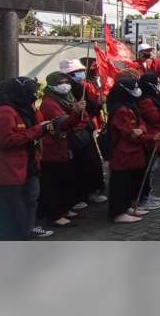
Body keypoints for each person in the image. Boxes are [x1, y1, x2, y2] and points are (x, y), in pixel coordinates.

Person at [0, 77, 54, 240]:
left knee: (30, 199)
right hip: (6, 169)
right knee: (13, 210)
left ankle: (28, 229)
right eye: (32, 93)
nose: (34, 96)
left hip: (25, 164)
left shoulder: (21, 108)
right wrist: (38, 130)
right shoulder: (4, 112)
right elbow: (6, 140)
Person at [107, 77, 159, 224]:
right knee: (120, 183)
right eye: (134, 88)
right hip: (123, 154)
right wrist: (149, 137)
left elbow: (140, 124)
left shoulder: (130, 105)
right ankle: (118, 212)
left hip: (133, 153)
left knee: (129, 182)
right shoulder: (120, 110)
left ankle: (127, 207)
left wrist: (141, 130)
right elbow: (129, 133)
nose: (137, 90)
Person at [38, 72, 83, 228]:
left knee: (65, 180)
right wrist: (76, 113)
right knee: (53, 183)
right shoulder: (49, 103)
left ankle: (64, 209)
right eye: (60, 83)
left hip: (64, 147)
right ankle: (55, 214)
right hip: (53, 148)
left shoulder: (68, 98)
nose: (65, 86)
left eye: (66, 82)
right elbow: (62, 124)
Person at [59, 58, 106, 208]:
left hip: (85, 129)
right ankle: (79, 196)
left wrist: (98, 104)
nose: (80, 74)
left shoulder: (82, 85)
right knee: (78, 165)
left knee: (91, 162)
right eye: (76, 72)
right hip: (74, 132)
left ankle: (91, 191)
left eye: (81, 71)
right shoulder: (65, 91)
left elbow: (91, 108)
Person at [136, 72, 160, 211]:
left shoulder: (152, 98)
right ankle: (144, 197)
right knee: (148, 169)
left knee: (151, 169)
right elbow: (155, 119)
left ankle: (148, 194)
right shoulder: (146, 101)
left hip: (153, 136)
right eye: (156, 82)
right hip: (150, 138)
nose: (159, 84)